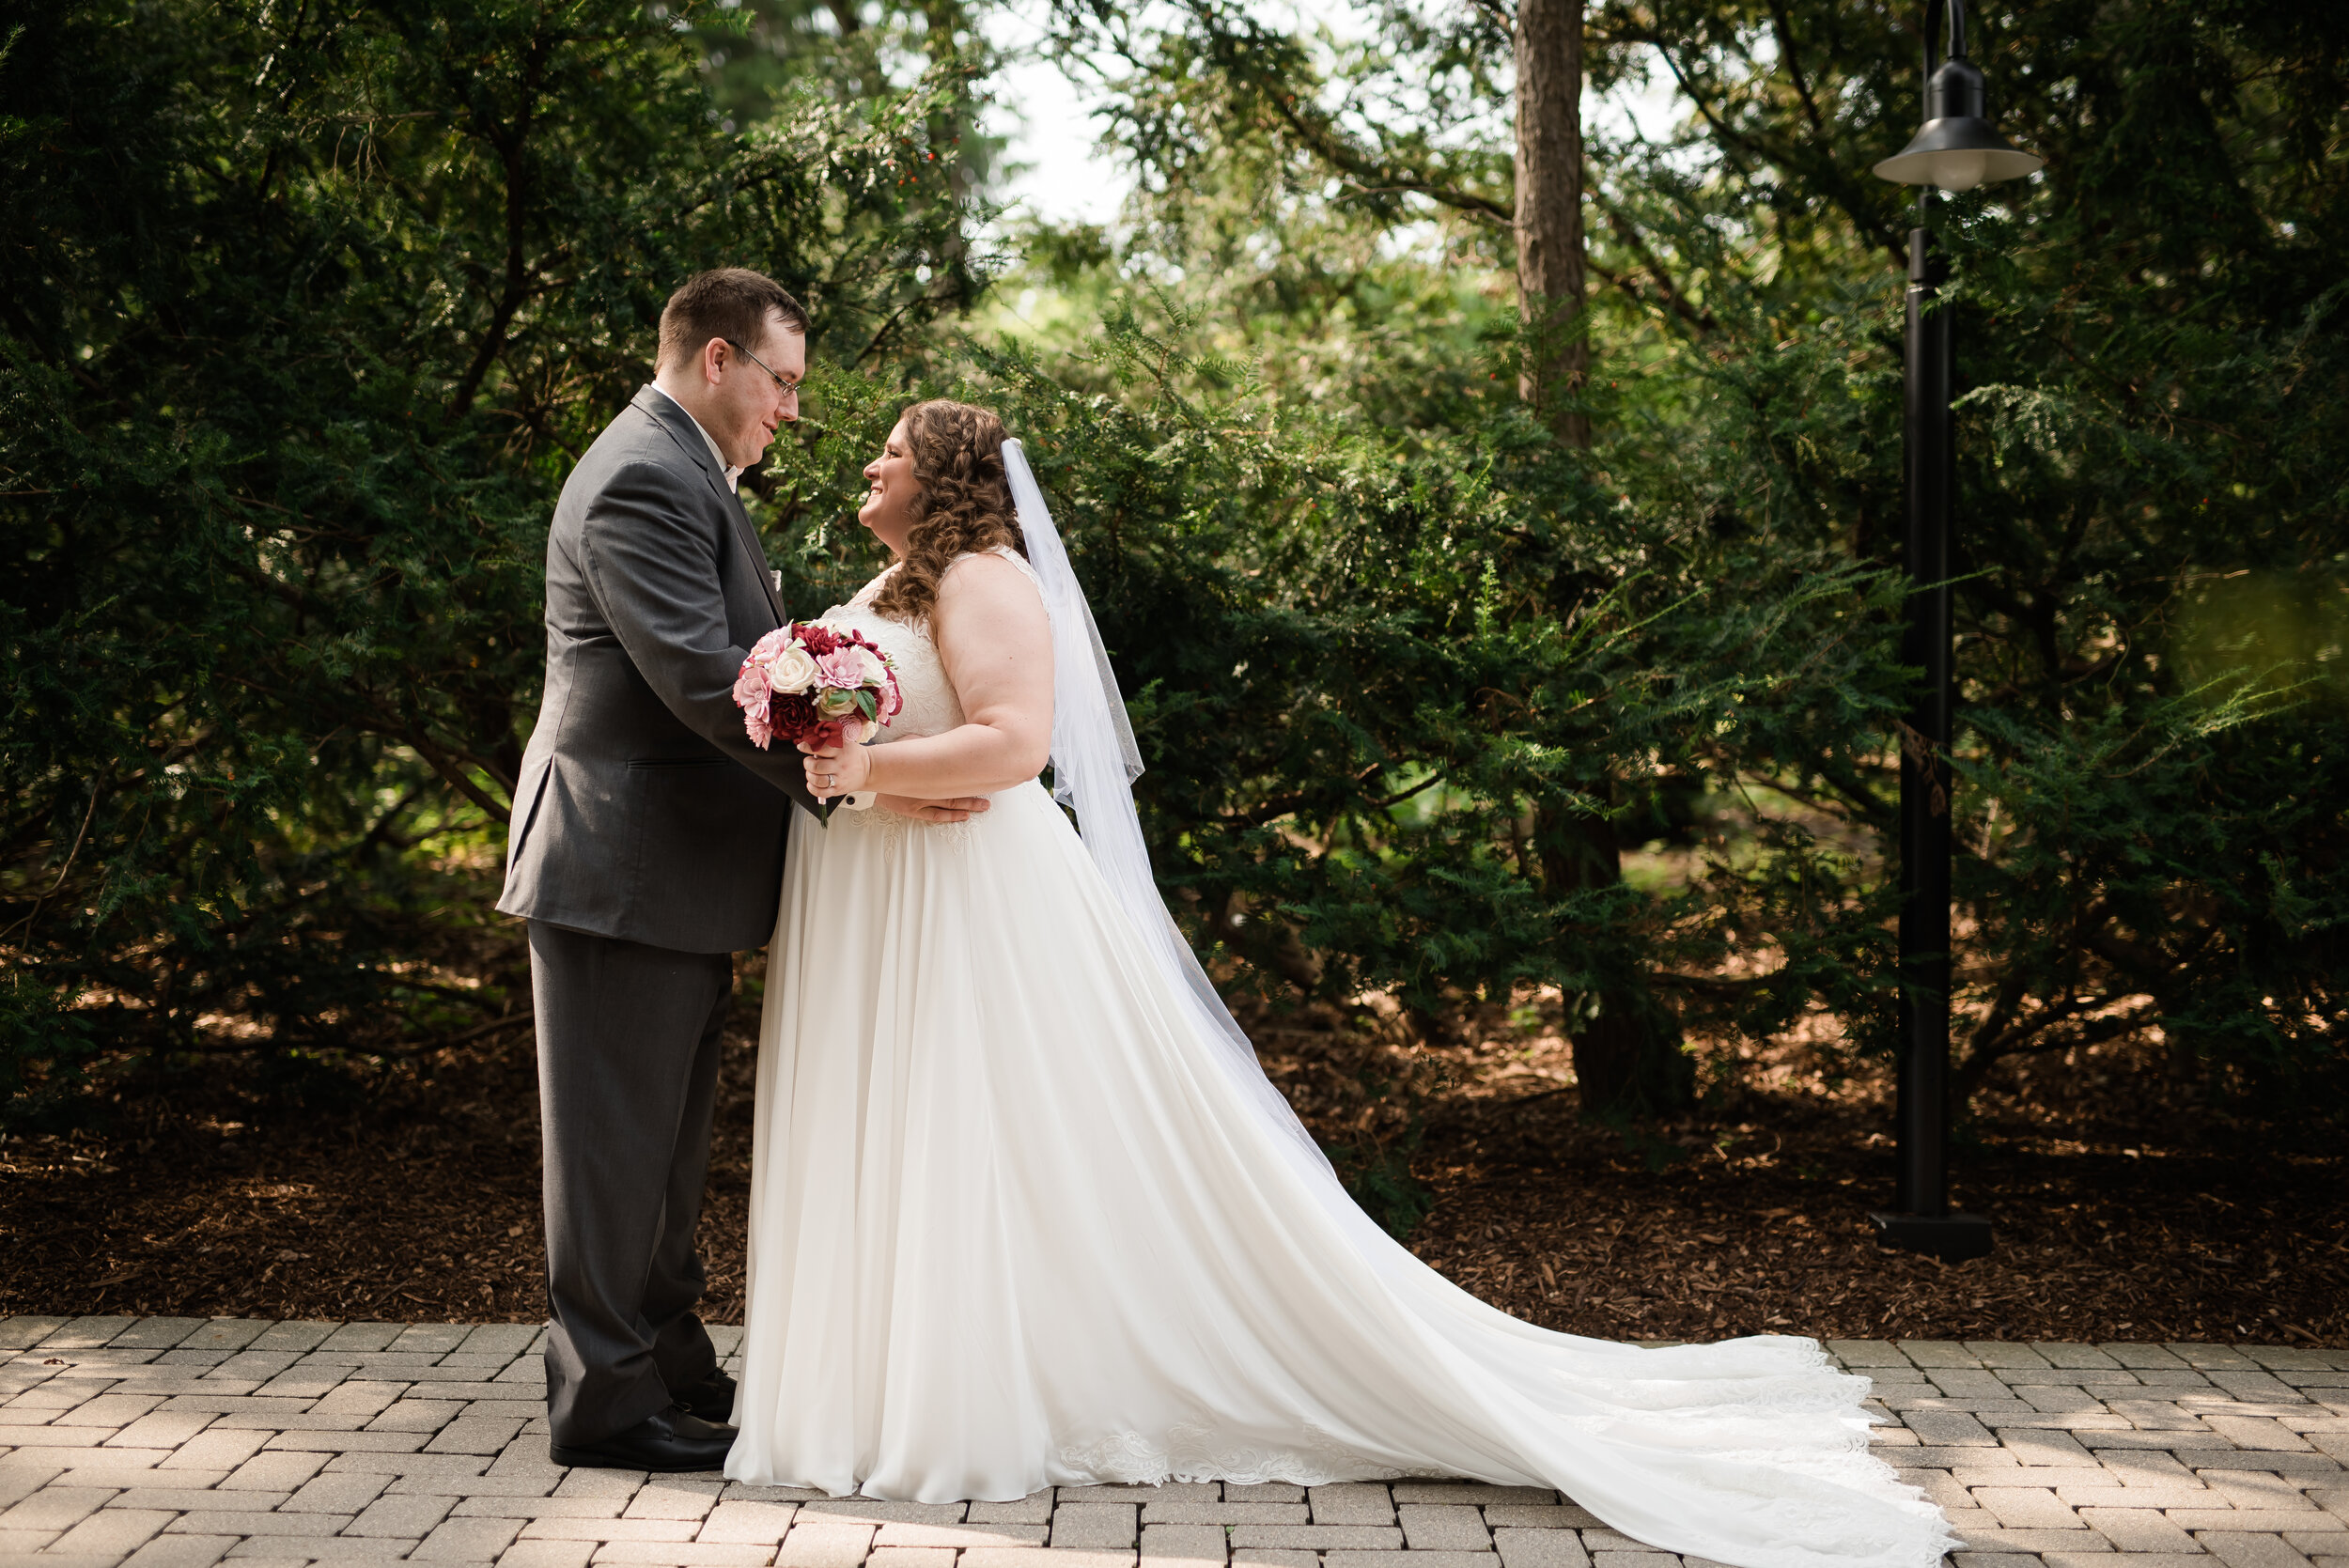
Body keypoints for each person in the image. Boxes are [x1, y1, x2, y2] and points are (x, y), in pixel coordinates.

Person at [723, 399, 1957, 1568]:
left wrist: (864, 770)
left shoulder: (988, 577)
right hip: (885, 898)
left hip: (962, 903)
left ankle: (947, 1406)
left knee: (959, 1138)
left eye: (893, 449)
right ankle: (877, 1392)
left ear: (942, 476)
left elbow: (1015, 742)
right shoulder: (892, 587)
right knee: (898, 1136)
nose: (870, 462)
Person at [496, 271, 985, 1473]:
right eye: (783, 382)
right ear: (719, 360)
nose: (792, 411)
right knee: (614, 1150)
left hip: (670, 869)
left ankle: (667, 1364)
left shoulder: (683, 469)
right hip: (617, 861)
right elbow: (706, 679)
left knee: (661, 1148)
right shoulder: (641, 478)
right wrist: (869, 771)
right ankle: (605, 1405)